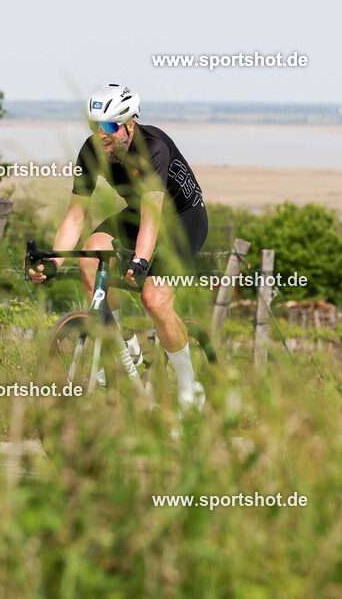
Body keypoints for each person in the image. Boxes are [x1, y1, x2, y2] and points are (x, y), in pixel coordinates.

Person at [27, 84, 208, 409]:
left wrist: (140, 260)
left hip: (182, 219)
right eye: (95, 126)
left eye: (109, 126)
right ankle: (119, 340)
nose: (102, 134)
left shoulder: (152, 148)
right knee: (90, 256)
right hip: (138, 216)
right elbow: (75, 215)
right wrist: (54, 262)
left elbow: (153, 216)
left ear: (130, 123)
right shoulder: (92, 150)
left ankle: (188, 385)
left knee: (154, 299)